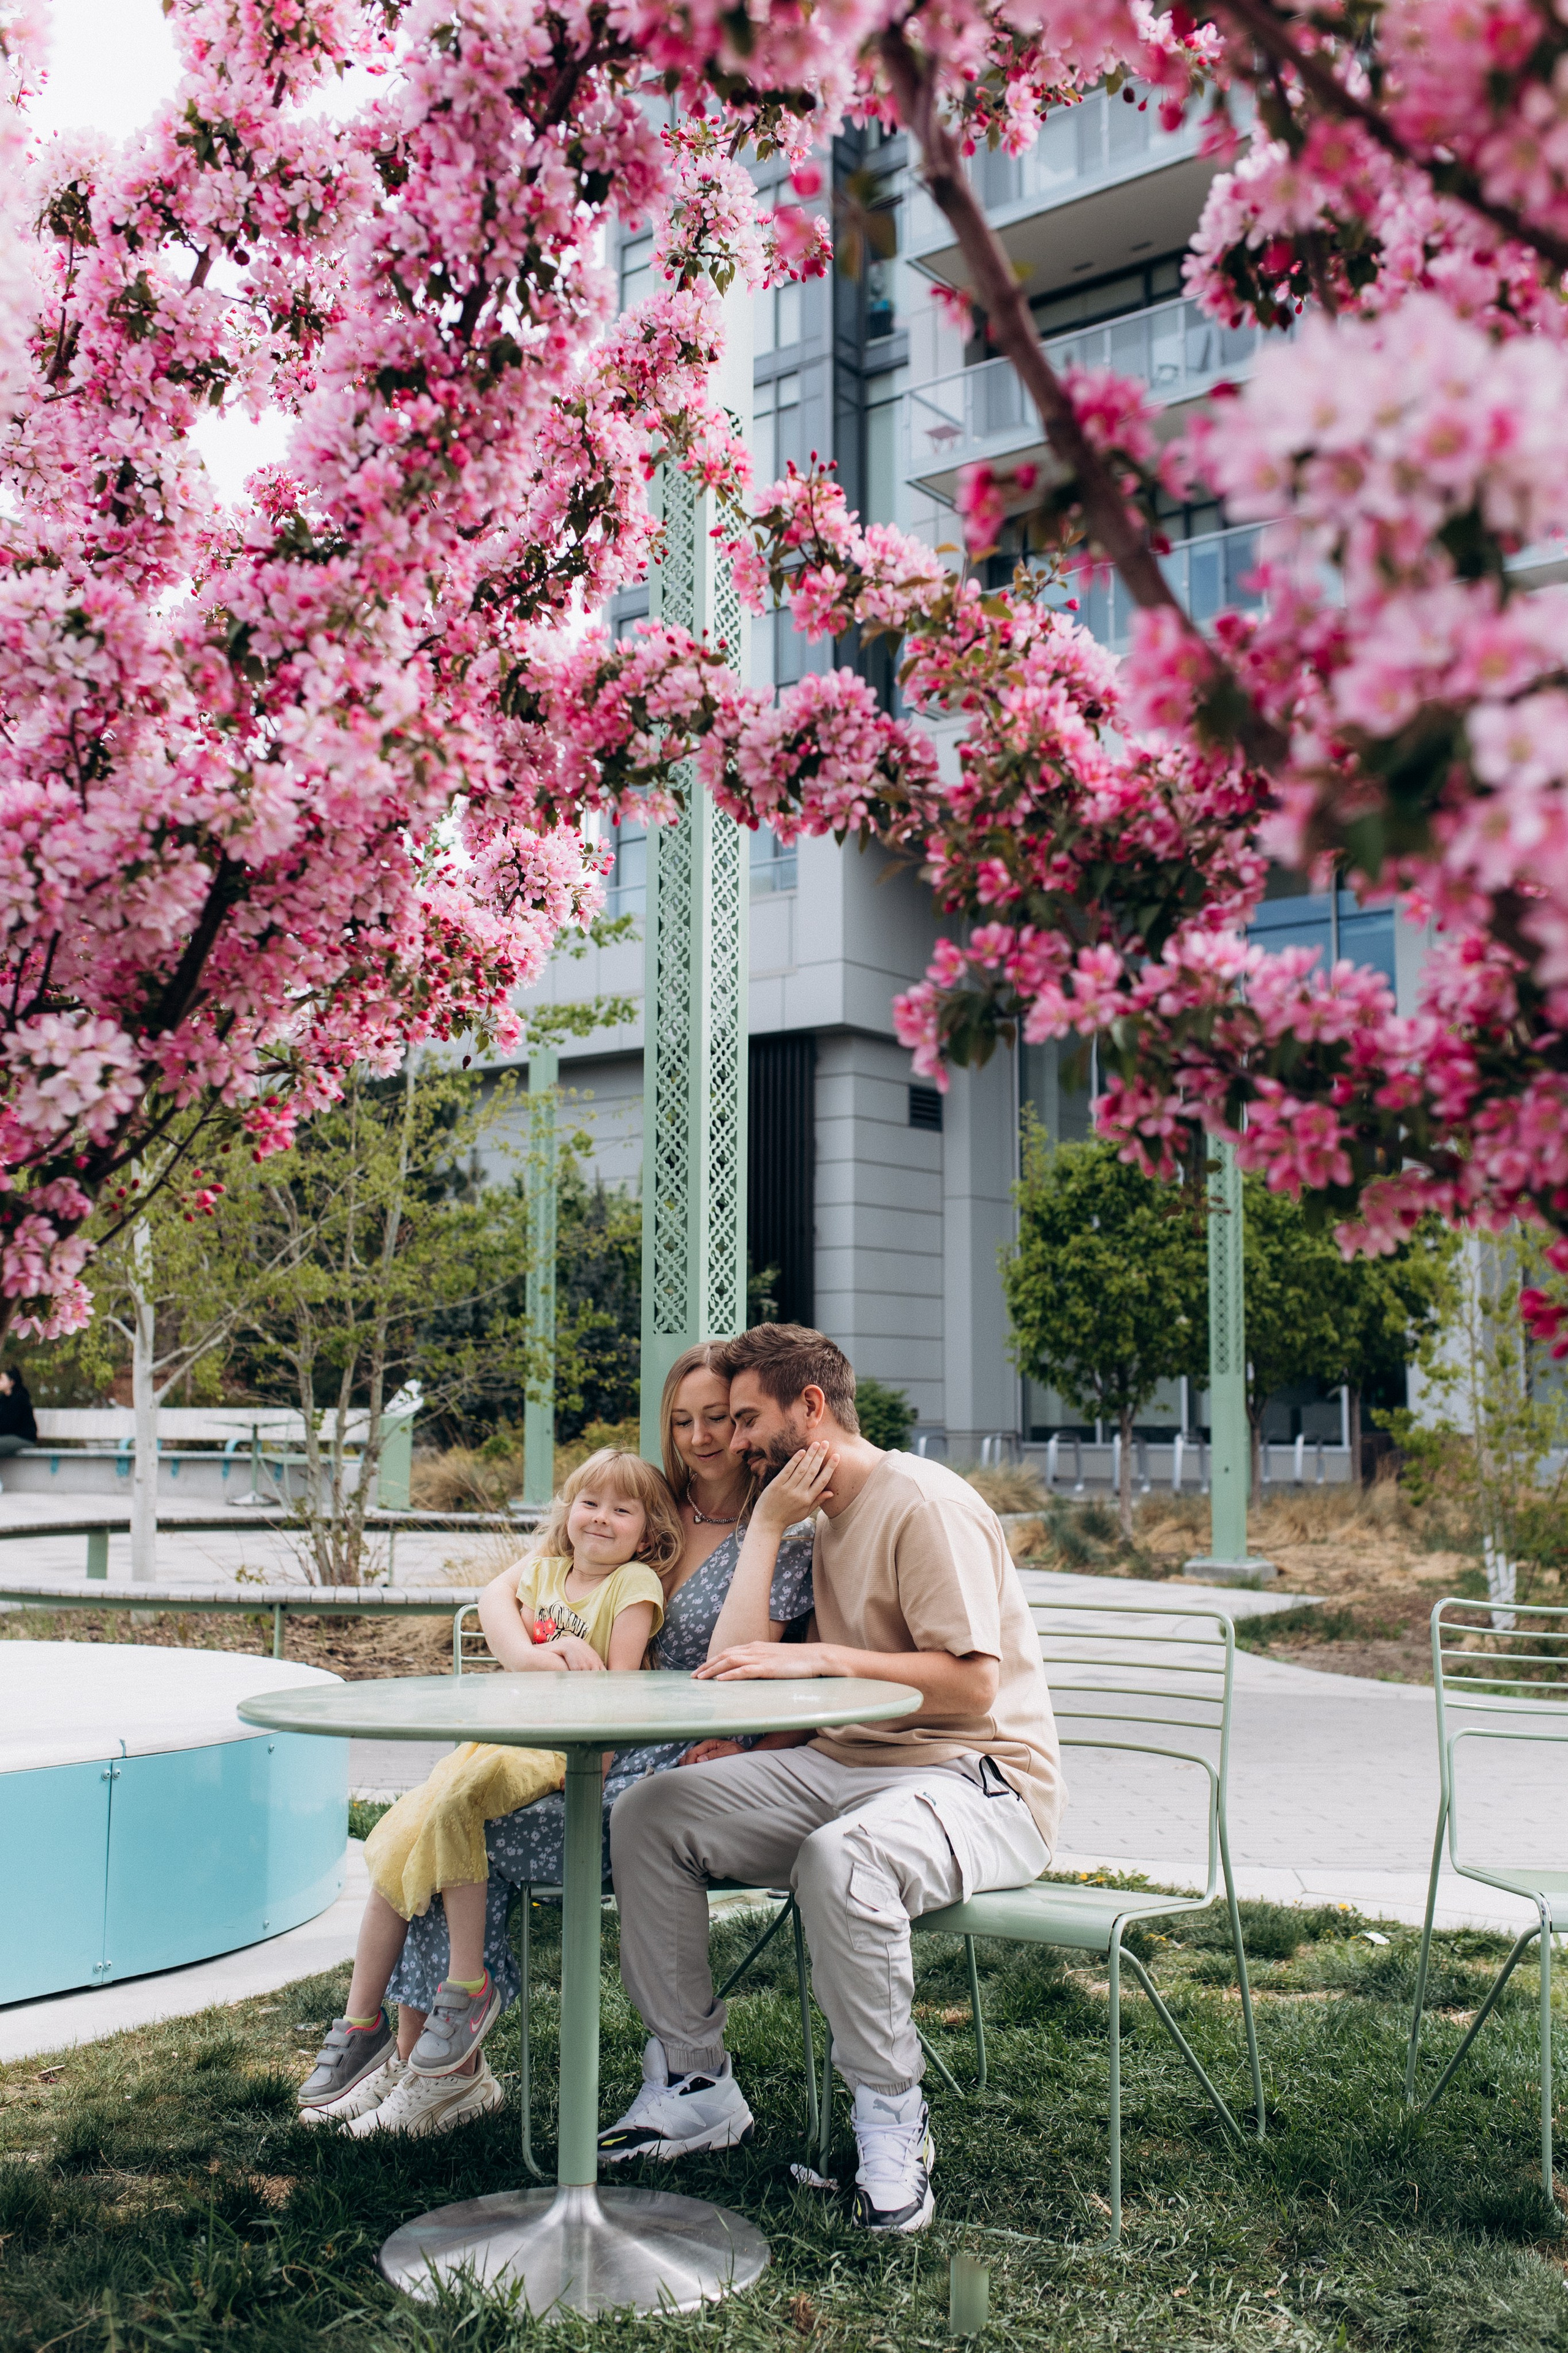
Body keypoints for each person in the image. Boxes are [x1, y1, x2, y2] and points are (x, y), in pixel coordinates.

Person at [601, 1324, 1063, 2237]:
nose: (733, 1444)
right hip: (847, 1763)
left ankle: (893, 2124)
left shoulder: (923, 1503)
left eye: (747, 1420)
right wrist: (769, 1523)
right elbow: (735, 1665)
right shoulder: (812, 1519)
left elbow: (972, 1682)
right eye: (726, 1426)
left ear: (811, 1407)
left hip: (978, 1779)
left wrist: (818, 1659)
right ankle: (697, 2083)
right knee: (651, 1810)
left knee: (841, 1858)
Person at [323, 1346, 815, 2140]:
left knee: (461, 1825)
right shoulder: (639, 1510)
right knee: (436, 1817)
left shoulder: (781, 1537)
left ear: (750, 1420)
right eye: (681, 1418)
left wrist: (757, 1751)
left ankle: (440, 2066)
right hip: (578, 1743)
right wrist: (523, 1654)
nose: (698, 1436)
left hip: (679, 1767)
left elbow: (795, 1676)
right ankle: (428, 2064)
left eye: (719, 1418)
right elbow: (508, 1586)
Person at [296, 1448, 677, 2132]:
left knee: (456, 1808)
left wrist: (567, 1705)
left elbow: (623, 1697)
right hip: (498, 1742)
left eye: (623, 1509)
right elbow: (492, 1597)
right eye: (590, 1502)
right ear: (568, 1511)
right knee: (395, 1842)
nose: (601, 1518)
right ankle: (364, 2023)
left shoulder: (634, 1585)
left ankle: (466, 1987)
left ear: (646, 1533)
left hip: (565, 1753)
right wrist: (534, 1657)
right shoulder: (544, 1573)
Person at [0, 1366, 37, 1486]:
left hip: (24, 1437)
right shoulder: (3, 1399)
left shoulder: (20, 1399)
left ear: (11, 1383)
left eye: (1, 1379)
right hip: (9, 1436)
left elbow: (9, 1425)